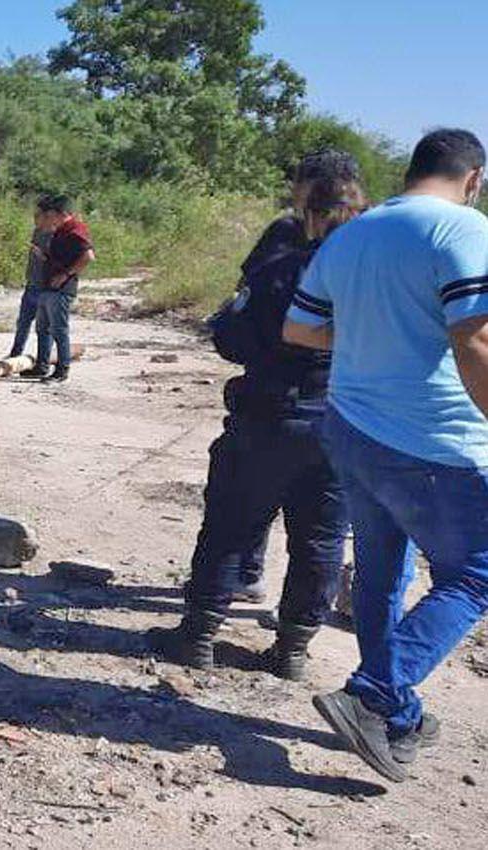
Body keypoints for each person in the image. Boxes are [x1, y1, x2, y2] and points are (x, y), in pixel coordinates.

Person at [283, 128, 488, 783]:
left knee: (381, 576)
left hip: (352, 432)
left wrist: (374, 334)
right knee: (478, 573)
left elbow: (299, 327)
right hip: (433, 444)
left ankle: (394, 713)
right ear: (474, 179)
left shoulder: (351, 235)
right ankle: (373, 694)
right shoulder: (462, 230)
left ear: (410, 170)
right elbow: (474, 342)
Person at [152, 174, 366, 681]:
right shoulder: (377, 282)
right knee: (320, 540)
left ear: (309, 215)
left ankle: (199, 636)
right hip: (343, 424)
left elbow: (229, 337)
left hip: (271, 415)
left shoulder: (284, 269)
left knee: (233, 524)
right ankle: (292, 650)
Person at [231, 150, 365, 606]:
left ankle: (234, 592)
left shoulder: (288, 235)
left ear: (308, 188)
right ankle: (296, 636)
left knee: (247, 499)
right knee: (322, 526)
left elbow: (246, 305)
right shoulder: (371, 240)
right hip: (342, 403)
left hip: (279, 390)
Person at [25, 193, 93, 382]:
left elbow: (88, 256)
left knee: (58, 330)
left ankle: (62, 369)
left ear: (59, 213)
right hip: (48, 286)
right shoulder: (60, 230)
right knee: (43, 329)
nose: (47, 219)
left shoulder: (76, 230)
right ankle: (42, 366)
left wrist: (65, 275)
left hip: (61, 289)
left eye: (49, 215)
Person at [8, 209, 55, 360]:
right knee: (23, 322)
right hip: (31, 285)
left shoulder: (55, 236)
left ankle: (43, 360)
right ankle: (15, 353)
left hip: (45, 287)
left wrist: (42, 256)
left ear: (48, 218)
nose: (35, 219)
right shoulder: (37, 232)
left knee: (44, 327)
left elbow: (58, 261)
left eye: (38, 217)